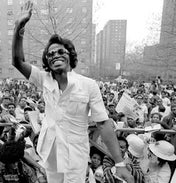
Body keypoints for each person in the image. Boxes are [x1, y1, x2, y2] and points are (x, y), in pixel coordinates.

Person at [11, 1, 133, 183]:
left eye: (61, 51)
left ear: (70, 56)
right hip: (50, 151)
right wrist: (19, 29)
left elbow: (103, 124)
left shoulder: (88, 85)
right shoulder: (44, 79)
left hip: (75, 155)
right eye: (50, 54)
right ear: (47, 61)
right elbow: (17, 61)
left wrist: (120, 163)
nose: (55, 55)